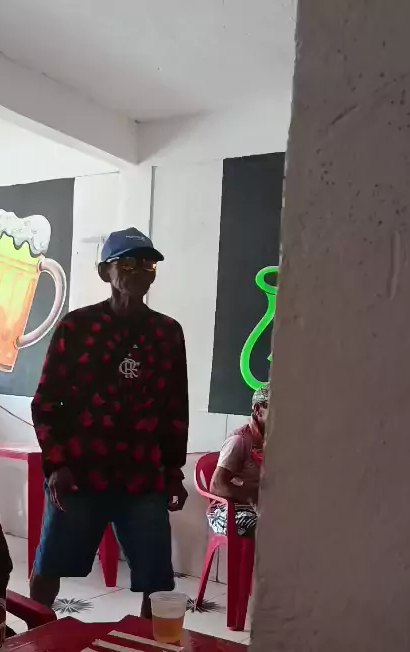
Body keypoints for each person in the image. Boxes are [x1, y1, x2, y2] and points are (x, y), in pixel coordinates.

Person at [30, 227, 188, 617]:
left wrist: (173, 472)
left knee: (156, 578)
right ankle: (34, 635)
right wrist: (56, 464)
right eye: (128, 263)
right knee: (50, 563)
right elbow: (46, 401)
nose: (140, 271)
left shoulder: (167, 333)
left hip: (143, 475)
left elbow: (174, 409)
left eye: (148, 264)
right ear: (105, 272)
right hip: (80, 472)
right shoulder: (76, 327)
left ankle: (150, 645)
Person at [207, 385, 269, 538]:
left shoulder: (271, 441)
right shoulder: (239, 441)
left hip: (256, 507)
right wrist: (252, 499)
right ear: (258, 410)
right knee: (270, 528)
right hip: (228, 509)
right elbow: (217, 485)